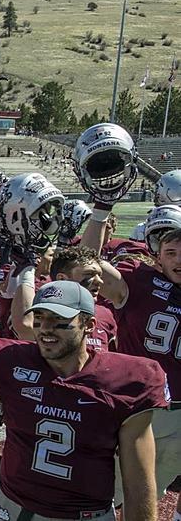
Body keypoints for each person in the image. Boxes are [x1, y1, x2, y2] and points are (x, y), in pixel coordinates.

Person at [0, 280, 167, 521]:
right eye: (39, 318)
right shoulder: (11, 361)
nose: (46, 329)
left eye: (58, 320)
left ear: (88, 325)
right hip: (10, 508)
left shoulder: (125, 381)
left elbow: (139, 485)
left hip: (79, 515)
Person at [82, 216, 181, 519]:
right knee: (99, 495)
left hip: (178, 417)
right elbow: (87, 263)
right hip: (136, 410)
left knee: (147, 495)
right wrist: (100, 212)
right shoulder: (140, 282)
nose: (179, 259)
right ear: (157, 256)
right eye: (171, 252)